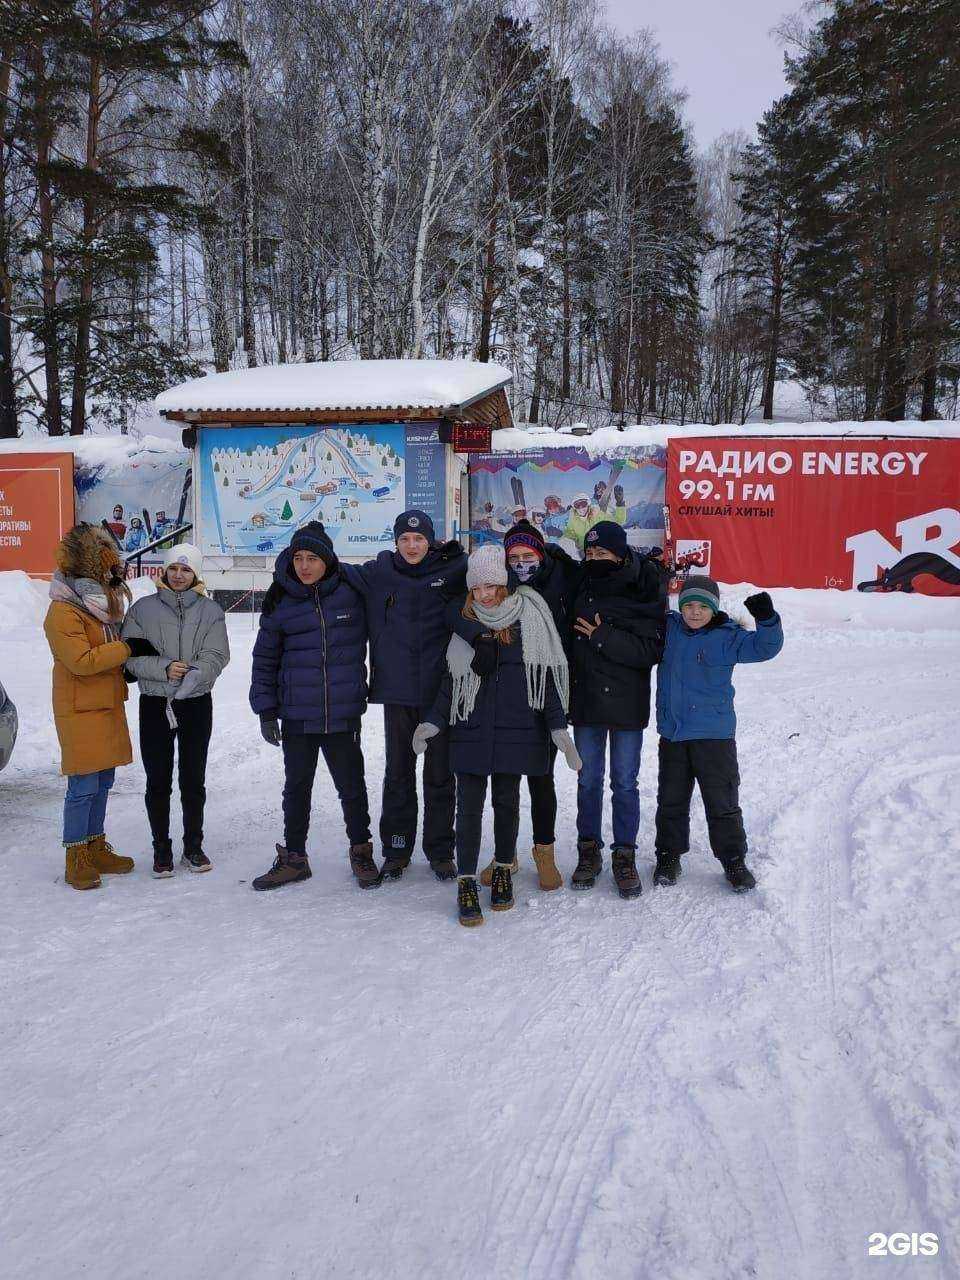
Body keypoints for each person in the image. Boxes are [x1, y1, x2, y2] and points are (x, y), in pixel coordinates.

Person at [415, 544, 581, 928]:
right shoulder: (464, 629)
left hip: (516, 733)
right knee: (468, 809)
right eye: (477, 589)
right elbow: (451, 683)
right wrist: (433, 722)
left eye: (491, 586)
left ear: (503, 585)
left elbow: (545, 680)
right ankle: (467, 881)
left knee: (507, 804)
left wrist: (559, 729)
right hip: (470, 733)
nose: (485, 594)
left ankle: (504, 868)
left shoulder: (529, 623)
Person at [448, 518, 581, 891]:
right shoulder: (498, 592)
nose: (522, 562)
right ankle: (507, 857)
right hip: (509, 697)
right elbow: (456, 610)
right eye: (515, 557)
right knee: (506, 778)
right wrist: (477, 634)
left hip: (547, 688)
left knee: (541, 779)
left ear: (540, 554)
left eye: (529, 555)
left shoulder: (562, 580)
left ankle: (544, 851)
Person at [249, 522, 379, 891]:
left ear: (328, 561)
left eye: (313, 558)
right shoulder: (280, 600)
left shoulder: (351, 592)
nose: (304, 566)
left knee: (351, 785)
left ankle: (361, 850)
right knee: (297, 786)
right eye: (298, 558)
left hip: (342, 711)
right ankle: (294, 858)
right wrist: (266, 709)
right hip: (297, 713)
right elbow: (264, 660)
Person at [342, 510, 466, 881]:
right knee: (398, 772)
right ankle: (397, 848)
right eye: (404, 539)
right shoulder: (380, 571)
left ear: (431, 541)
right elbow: (331, 570)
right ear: (395, 541)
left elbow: (494, 576)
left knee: (441, 774)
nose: (412, 546)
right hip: (397, 692)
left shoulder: (453, 570)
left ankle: (441, 850)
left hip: (440, 692)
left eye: (419, 539)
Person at [43, 523, 159, 890]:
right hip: (79, 710)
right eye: (106, 565)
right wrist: (126, 650)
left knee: (103, 781)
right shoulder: (63, 612)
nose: (113, 572)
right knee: (83, 785)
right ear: (88, 566)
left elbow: (105, 650)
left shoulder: (99, 607)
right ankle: (75, 854)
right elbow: (81, 660)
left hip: (105, 704)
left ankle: (95, 845)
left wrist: (127, 665)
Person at [654, 575, 783, 892]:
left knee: (721, 802)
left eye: (702, 607)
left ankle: (734, 861)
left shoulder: (728, 637)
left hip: (714, 736)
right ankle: (669, 855)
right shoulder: (669, 630)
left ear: (714, 609)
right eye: (689, 606)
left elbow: (766, 647)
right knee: (671, 801)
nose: (695, 612)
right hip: (673, 735)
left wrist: (766, 619)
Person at [568, 520, 665, 899]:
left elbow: (650, 650)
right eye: (590, 553)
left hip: (627, 703)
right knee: (587, 780)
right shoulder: (580, 584)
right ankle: (588, 850)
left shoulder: (645, 586)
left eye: (602, 553)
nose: (595, 559)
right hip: (587, 699)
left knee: (624, 782)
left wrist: (601, 635)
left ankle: (624, 853)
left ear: (620, 553)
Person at [121, 543, 230, 877]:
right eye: (173, 569)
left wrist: (194, 677)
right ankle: (161, 849)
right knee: (158, 779)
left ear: (195, 573)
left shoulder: (211, 611)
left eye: (186, 570)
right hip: (155, 703)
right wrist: (164, 668)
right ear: (164, 572)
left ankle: (193, 846)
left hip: (196, 703)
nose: (179, 575)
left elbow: (217, 655)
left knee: (193, 779)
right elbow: (129, 657)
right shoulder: (142, 610)